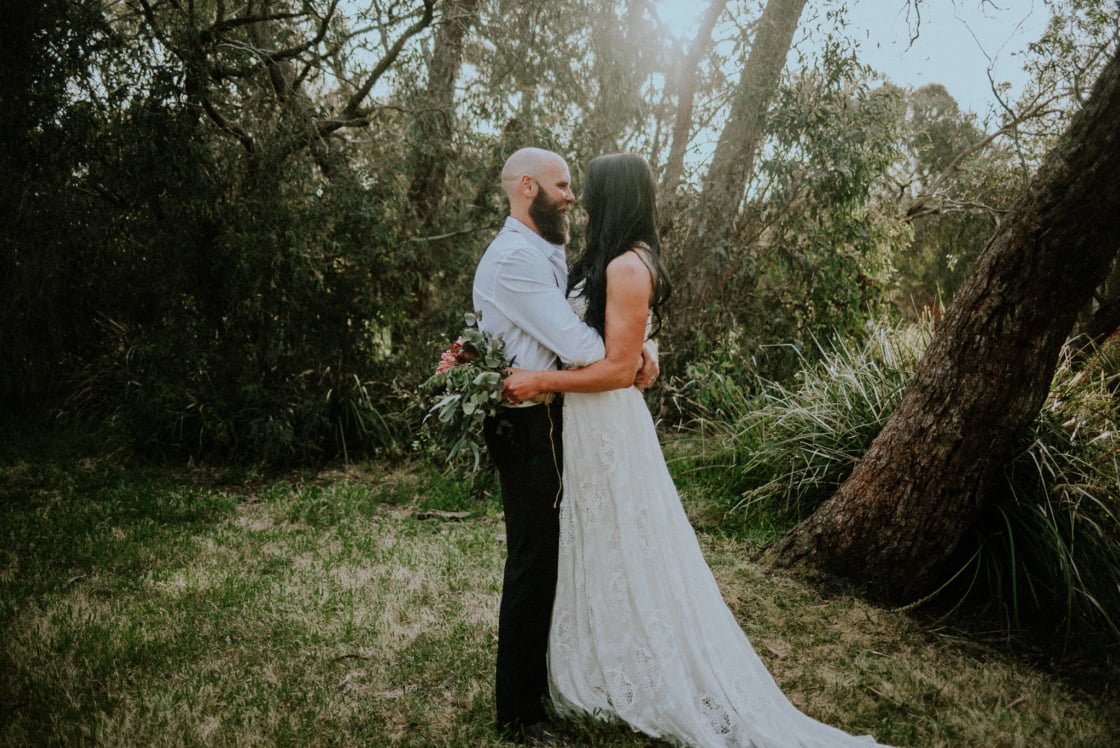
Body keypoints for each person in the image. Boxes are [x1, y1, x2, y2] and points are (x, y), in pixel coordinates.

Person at [502, 153, 886, 747]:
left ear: (614, 196)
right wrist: (644, 348)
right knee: (596, 543)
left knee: (631, 545)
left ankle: (646, 669)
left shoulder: (629, 265)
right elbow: (611, 339)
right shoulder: (609, 259)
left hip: (607, 424)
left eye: (590, 191)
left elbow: (616, 370)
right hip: (581, 426)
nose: (581, 201)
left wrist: (540, 381)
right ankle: (597, 661)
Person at [472, 147, 658, 743]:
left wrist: (640, 346)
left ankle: (551, 681)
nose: (572, 197)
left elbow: (594, 323)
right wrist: (628, 356)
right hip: (526, 423)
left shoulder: (544, 250)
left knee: (555, 556)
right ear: (527, 187)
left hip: (552, 418)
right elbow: (580, 347)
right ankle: (518, 713)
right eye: (562, 186)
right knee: (533, 561)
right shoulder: (515, 260)